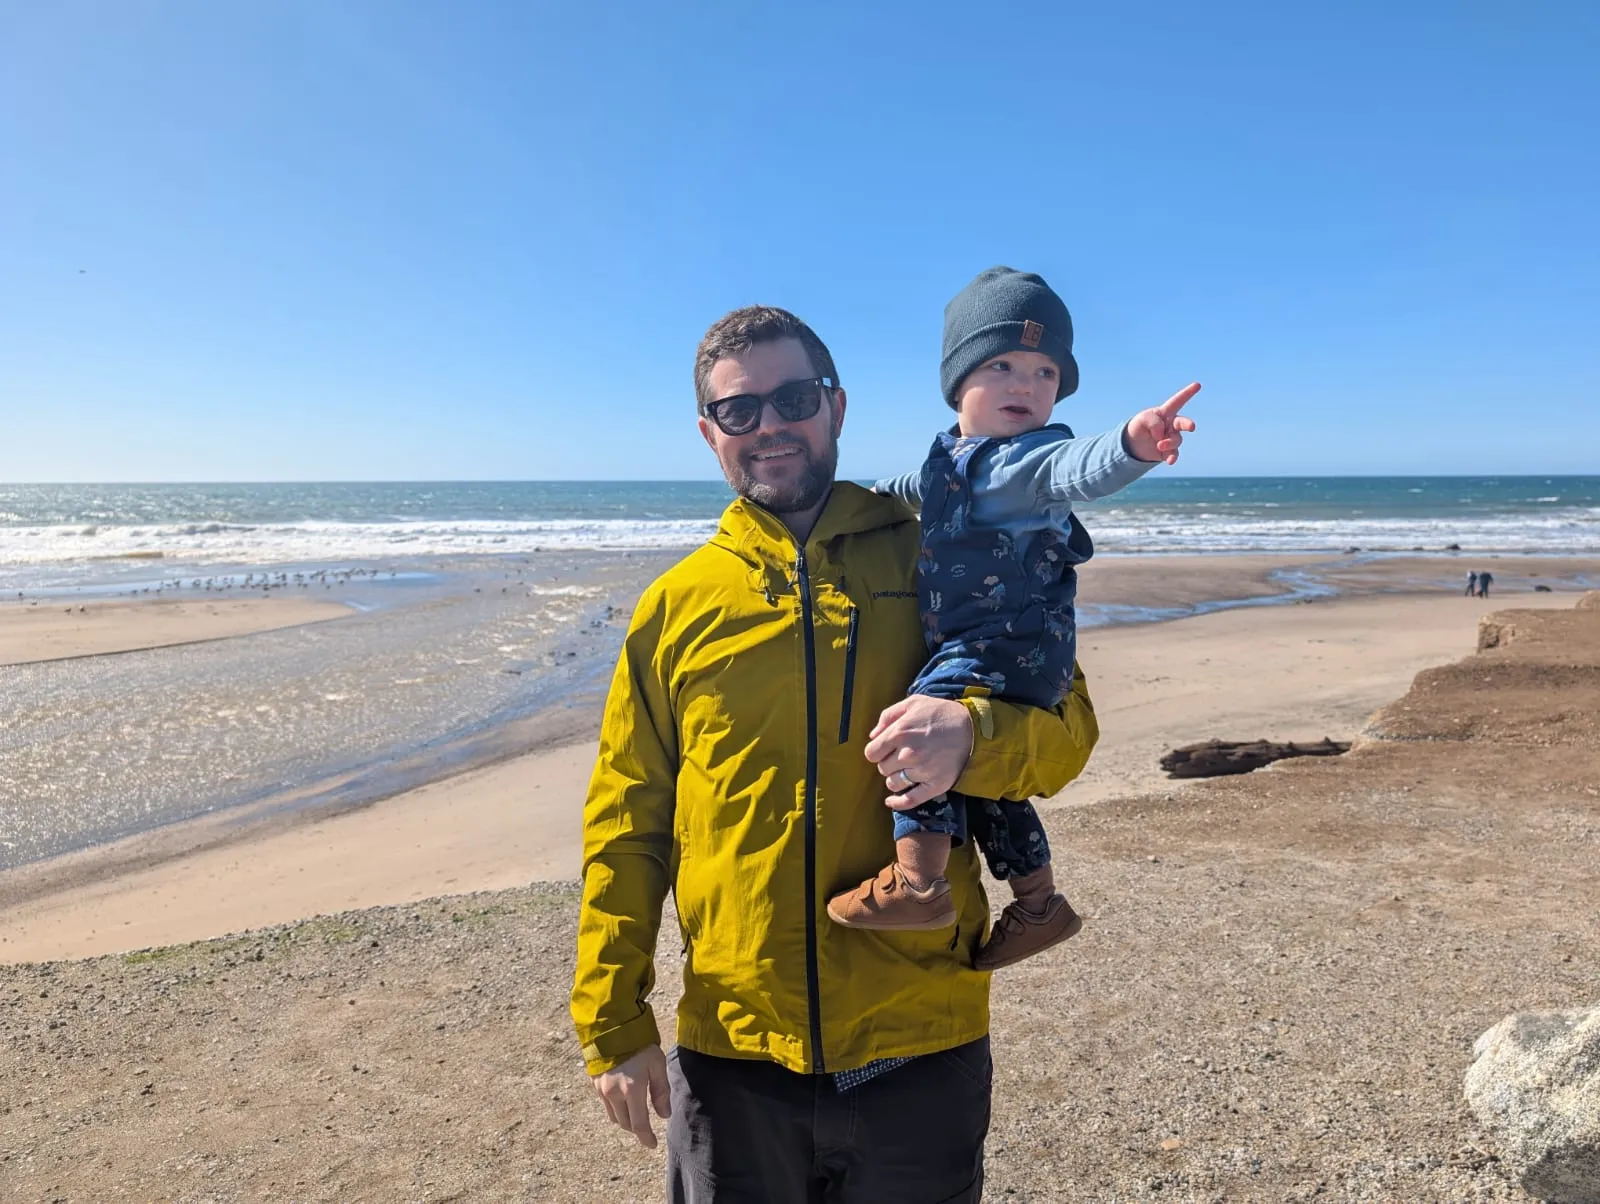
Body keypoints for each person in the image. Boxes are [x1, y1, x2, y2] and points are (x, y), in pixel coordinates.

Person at [571, 306, 1101, 1201]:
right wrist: (613, 1019)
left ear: (837, 407)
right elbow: (629, 823)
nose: (769, 425)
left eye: (793, 399)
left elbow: (1066, 737)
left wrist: (973, 736)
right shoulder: (675, 607)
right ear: (710, 433)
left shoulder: (944, 541)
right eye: (740, 411)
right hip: (733, 1050)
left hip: (920, 1036)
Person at [826, 266, 1198, 971]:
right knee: (981, 780)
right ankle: (1038, 904)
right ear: (958, 380)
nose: (1025, 385)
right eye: (1001, 365)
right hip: (1009, 648)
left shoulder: (1031, 462)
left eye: (1044, 372)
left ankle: (919, 883)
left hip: (1009, 644)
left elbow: (1077, 467)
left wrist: (1131, 443)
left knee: (918, 728)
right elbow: (915, 490)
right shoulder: (953, 460)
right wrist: (862, 501)